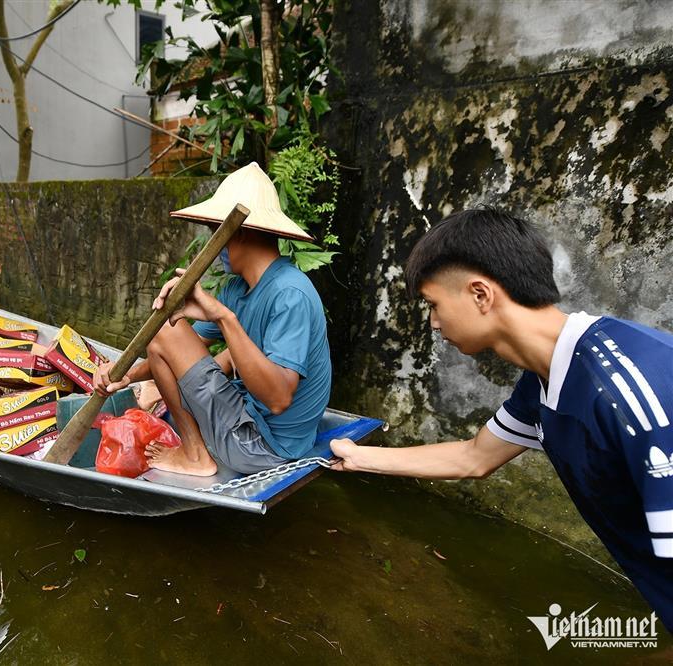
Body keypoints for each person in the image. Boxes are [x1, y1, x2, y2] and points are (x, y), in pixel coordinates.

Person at [329, 207, 672, 630]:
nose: (433, 323)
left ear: (480, 294)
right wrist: (360, 458)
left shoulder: (633, 389)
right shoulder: (544, 378)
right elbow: (474, 457)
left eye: (433, 304)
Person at [93, 163, 332, 477]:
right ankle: (195, 449)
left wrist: (223, 317)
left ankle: (195, 455)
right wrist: (127, 376)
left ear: (239, 232)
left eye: (214, 233)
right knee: (167, 329)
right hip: (248, 423)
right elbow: (173, 350)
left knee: (165, 332)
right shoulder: (238, 287)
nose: (212, 245)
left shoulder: (290, 294)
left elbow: (277, 400)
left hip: (263, 448)